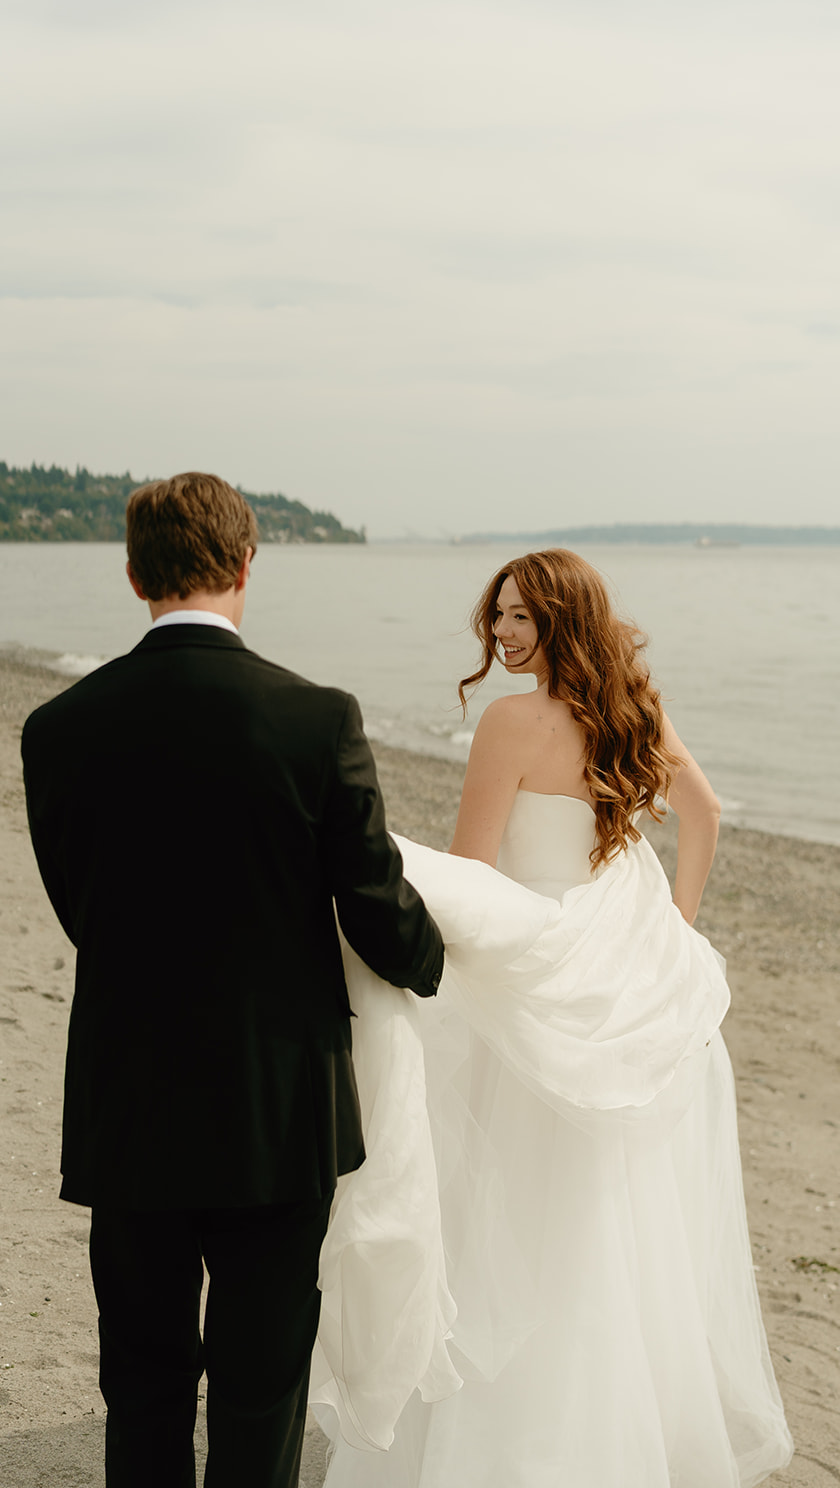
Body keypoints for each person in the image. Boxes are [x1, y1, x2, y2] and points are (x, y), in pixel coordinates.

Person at [312, 549, 793, 1487]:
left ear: (565, 618)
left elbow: (470, 872)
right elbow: (702, 815)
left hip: (530, 975)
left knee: (499, 1212)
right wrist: (673, 928)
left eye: (523, 618)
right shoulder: (633, 708)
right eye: (498, 616)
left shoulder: (510, 720)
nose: (502, 634)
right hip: (611, 966)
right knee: (601, 1215)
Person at [20, 472, 444, 1488]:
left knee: (144, 1375)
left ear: (132, 575)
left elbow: (81, 906)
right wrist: (436, 959)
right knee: (261, 1388)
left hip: (129, 1103)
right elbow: (376, 909)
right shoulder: (313, 718)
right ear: (247, 563)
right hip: (275, 1107)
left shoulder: (57, 728)